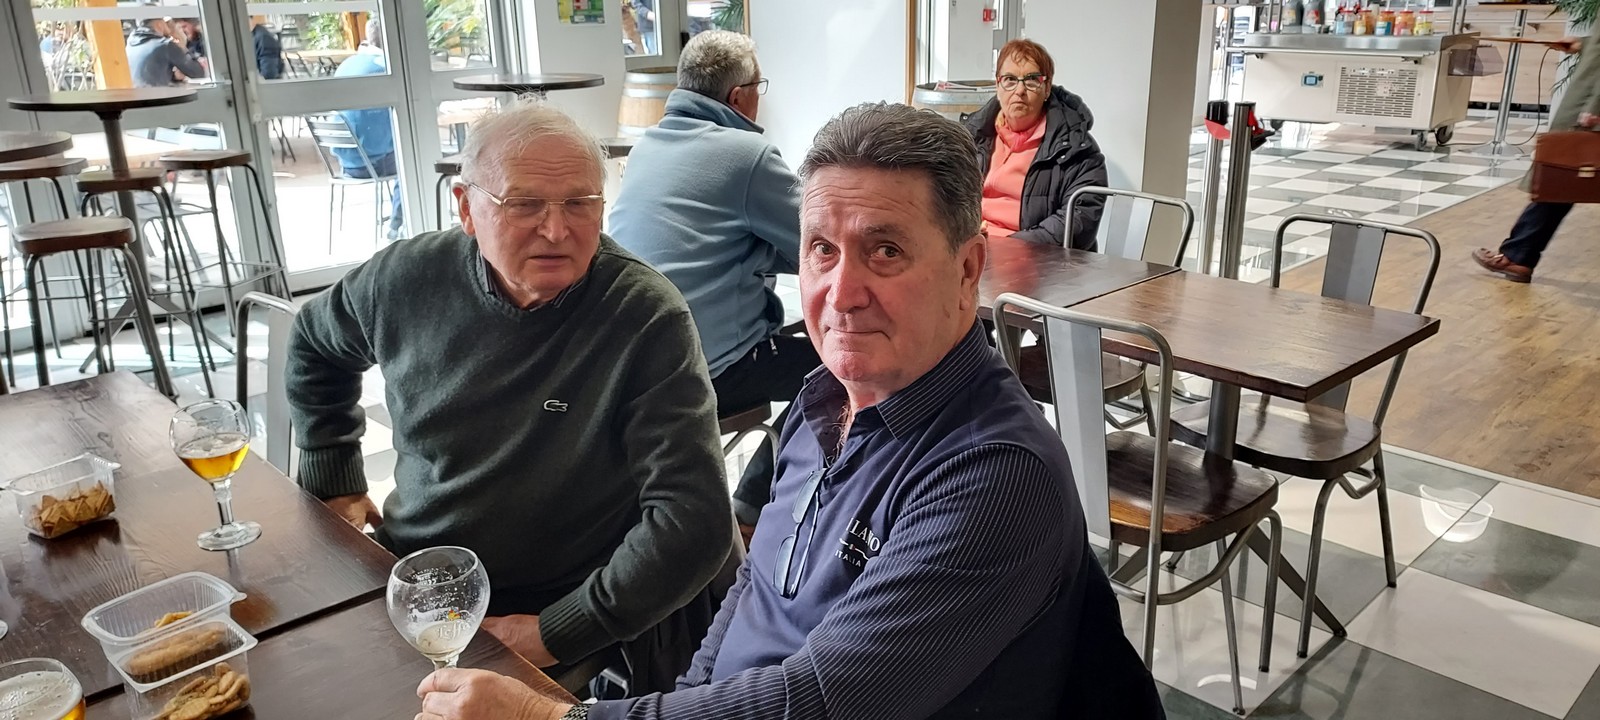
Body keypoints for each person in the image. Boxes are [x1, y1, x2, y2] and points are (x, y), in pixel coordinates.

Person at [411, 103, 1163, 720]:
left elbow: (822, 701)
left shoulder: (994, 474)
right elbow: (753, 593)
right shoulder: (820, 400)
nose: (842, 293)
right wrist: (688, 692)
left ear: (967, 269)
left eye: (886, 252)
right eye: (821, 251)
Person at [285, 100, 736, 695]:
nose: (556, 230)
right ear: (466, 207)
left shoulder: (644, 316)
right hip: (416, 578)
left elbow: (694, 519)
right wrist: (334, 475)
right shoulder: (405, 278)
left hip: (552, 600)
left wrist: (556, 631)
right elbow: (315, 342)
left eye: (580, 203)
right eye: (524, 204)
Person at [608, 30, 812, 541]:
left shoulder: (646, 147)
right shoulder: (747, 154)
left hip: (630, 368)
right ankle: (750, 507)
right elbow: (819, 242)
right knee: (843, 370)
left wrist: (752, 247)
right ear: (739, 96)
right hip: (706, 370)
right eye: (760, 87)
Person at [1473, 25, 1600, 283]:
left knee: (1560, 175)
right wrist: (1583, 44)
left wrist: (1595, 106)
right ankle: (1519, 256)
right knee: (1562, 179)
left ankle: (1518, 256)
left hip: (1589, 103)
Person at [963, 39, 1109, 251]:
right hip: (972, 247)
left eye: (1032, 80)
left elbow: (1077, 224)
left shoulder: (1078, 150)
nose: (1020, 90)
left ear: (1047, 88)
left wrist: (1007, 246)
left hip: (1033, 256)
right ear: (997, 85)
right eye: (1010, 80)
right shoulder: (971, 137)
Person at [334, 18, 403, 239]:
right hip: (371, 163)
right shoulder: (384, 69)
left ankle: (399, 221)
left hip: (345, 162)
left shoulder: (347, 64)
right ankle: (398, 225)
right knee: (412, 157)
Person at [126, 17, 205, 88]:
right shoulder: (165, 44)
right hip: (156, 97)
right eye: (166, 23)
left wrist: (174, 76)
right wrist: (182, 46)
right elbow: (197, 73)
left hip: (136, 96)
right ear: (159, 24)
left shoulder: (130, 45)